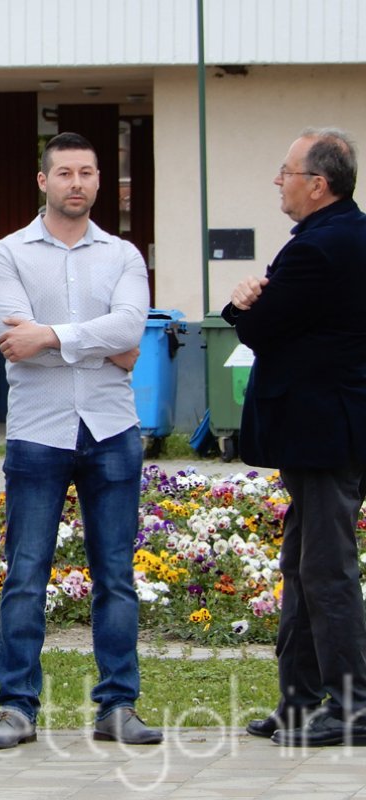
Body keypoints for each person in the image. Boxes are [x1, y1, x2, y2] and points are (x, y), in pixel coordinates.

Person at [0, 131, 162, 750]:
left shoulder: (123, 256)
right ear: (43, 181)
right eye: (64, 173)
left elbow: (132, 328)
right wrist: (102, 344)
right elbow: (16, 343)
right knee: (26, 574)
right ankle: (16, 708)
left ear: (99, 181)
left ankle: (118, 706)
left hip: (112, 430)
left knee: (116, 576)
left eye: (86, 172)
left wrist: (51, 336)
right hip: (38, 432)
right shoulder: (7, 254)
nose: (76, 183)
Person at [222, 127, 366, 747]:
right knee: (303, 564)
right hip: (328, 433)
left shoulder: (320, 247)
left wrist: (240, 303)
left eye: (287, 171)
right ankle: (300, 700)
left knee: (326, 570)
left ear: (318, 184)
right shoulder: (341, 235)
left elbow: (261, 328)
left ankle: (351, 707)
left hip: (324, 433)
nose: (278, 181)